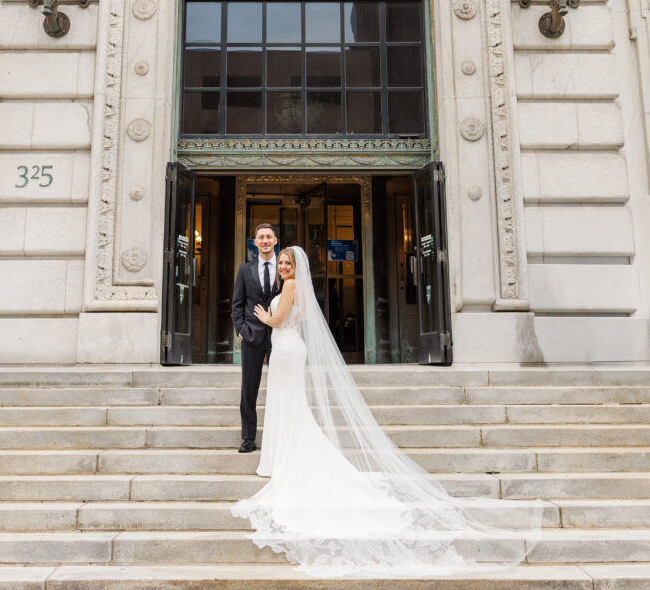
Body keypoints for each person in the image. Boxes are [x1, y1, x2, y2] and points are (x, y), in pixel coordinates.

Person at [232, 245, 543, 577]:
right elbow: (299, 317)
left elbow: (279, 319)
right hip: (286, 348)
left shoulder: (291, 287)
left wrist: (266, 317)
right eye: (280, 262)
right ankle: (282, 455)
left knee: (289, 404)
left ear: (296, 267)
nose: (282, 267)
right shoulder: (292, 288)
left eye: (286, 263)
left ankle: (285, 458)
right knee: (288, 405)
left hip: (287, 348)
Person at [231, 222, 278, 454]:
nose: (265, 241)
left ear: (276, 241)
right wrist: (241, 328)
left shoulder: (285, 268)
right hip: (252, 335)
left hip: (280, 336)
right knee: (249, 388)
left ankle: (279, 435)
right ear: (256, 242)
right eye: (261, 237)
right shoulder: (245, 270)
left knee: (282, 386)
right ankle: (248, 437)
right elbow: (237, 304)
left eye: (269, 236)